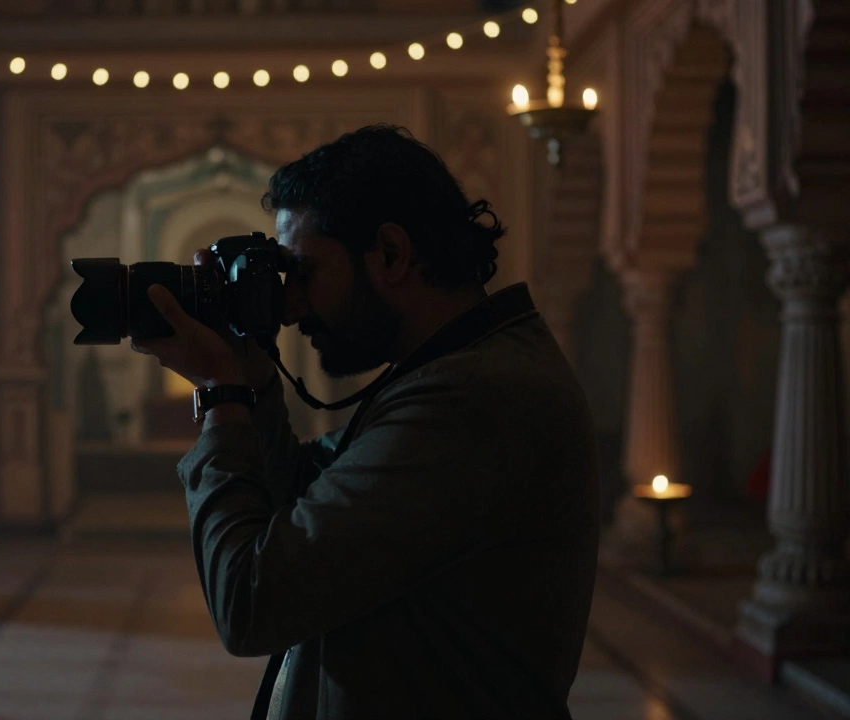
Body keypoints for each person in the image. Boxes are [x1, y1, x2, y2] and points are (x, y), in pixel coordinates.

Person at [131, 125, 599, 719]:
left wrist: (219, 393)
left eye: (303, 272)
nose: (292, 305)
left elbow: (250, 602)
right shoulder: (448, 372)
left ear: (391, 254)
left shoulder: (476, 399)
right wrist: (251, 374)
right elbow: (304, 500)